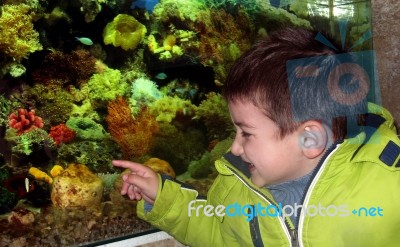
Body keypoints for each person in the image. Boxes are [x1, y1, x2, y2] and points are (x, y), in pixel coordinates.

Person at [112, 27, 400, 246]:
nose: (234, 148)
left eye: (246, 133)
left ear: (309, 139)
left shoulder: (388, 186)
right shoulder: (238, 186)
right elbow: (215, 230)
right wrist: (161, 197)